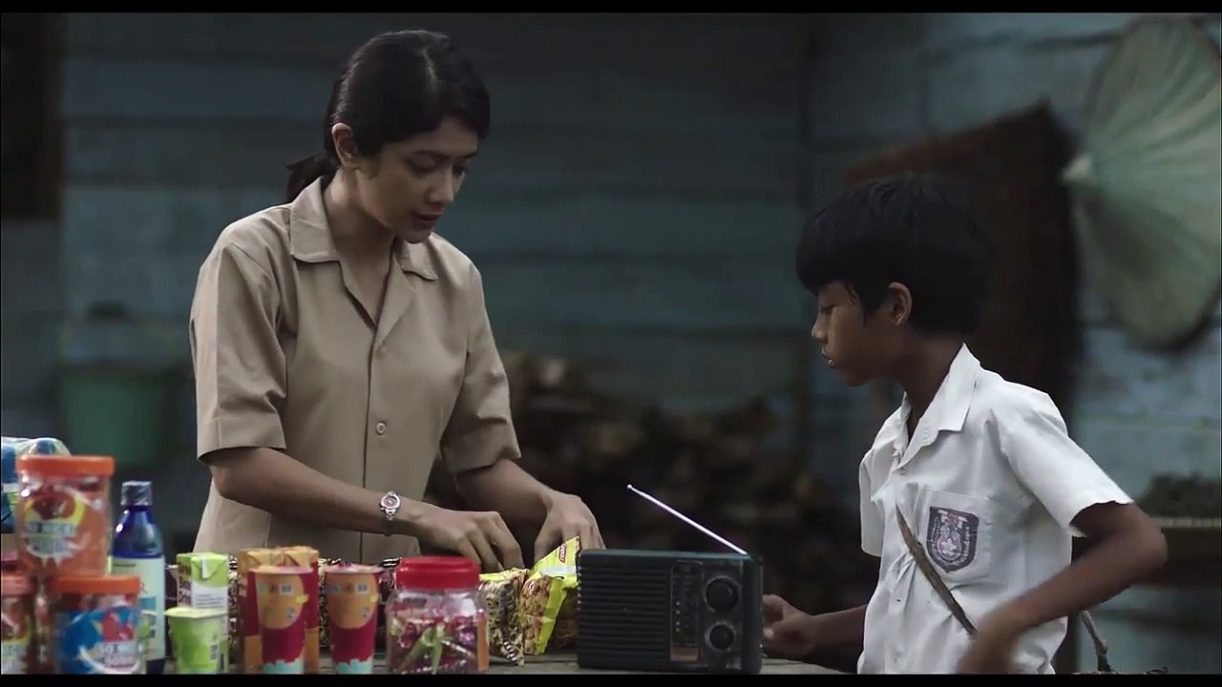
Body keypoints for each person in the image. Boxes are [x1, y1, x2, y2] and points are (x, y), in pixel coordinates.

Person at [188, 29, 603, 570]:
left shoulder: (455, 280)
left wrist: (553, 503)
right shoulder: (254, 258)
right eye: (423, 165)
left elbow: (481, 462)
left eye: (460, 168)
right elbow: (239, 463)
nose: (444, 192)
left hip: (387, 608)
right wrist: (411, 513)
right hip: (257, 602)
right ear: (349, 147)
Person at [764, 173, 1167, 673]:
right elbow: (911, 600)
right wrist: (819, 630)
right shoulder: (889, 446)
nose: (818, 331)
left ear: (895, 306)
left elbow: (1138, 543)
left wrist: (1010, 622)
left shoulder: (1007, 417)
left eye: (829, 309)